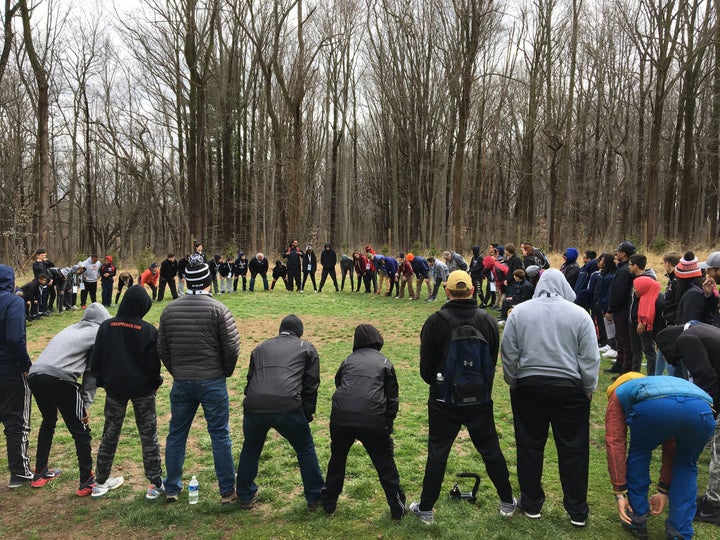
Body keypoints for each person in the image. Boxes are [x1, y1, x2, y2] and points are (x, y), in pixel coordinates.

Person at [410, 270, 515, 525]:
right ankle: (507, 502)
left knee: (437, 454)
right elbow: (491, 362)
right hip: (479, 400)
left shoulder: (436, 321)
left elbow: (426, 369)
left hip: (443, 401)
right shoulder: (488, 320)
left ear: (447, 290)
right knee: (491, 451)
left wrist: (440, 386)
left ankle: (425, 509)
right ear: (471, 291)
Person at [501, 268, 600, 527]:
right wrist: (588, 387)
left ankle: (531, 503)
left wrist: (513, 380)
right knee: (574, 449)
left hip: (529, 386)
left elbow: (508, 350)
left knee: (529, 445)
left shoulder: (520, 312)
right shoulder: (580, 315)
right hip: (569, 388)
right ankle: (577, 510)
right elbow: (589, 357)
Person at [158, 253, 240, 503]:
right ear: (207, 281)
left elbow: (162, 348)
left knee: (176, 434)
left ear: (186, 282)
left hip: (183, 380)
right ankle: (227, 489)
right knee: (219, 434)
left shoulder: (170, 310)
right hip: (212, 379)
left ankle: (172, 486)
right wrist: (224, 371)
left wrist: (177, 371)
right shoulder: (219, 309)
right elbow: (232, 347)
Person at [605, 373, 715, 540]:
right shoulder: (659, 383)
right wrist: (663, 490)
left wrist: (620, 492)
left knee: (639, 454)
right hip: (702, 410)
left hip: (657, 408)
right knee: (687, 464)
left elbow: (615, 443)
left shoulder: (618, 392)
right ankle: (680, 531)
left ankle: (637, 518)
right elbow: (671, 444)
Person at [237, 315, 323, 509]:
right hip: (288, 406)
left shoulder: (260, 347)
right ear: (299, 332)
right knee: (305, 447)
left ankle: (244, 495)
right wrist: (307, 414)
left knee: (251, 447)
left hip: (255, 405)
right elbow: (311, 386)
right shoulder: (307, 348)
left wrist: (249, 402)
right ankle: (315, 496)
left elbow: (250, 379)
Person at [321, 324, 405, 519]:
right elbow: (392, 398)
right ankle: (397, 508)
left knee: (337, 459)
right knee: (385, 463)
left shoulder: (348, 360)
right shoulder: (385, 362)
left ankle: (328, 503)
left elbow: (338, 383)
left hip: (341, 417)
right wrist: (387, 424)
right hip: (372, 419)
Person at [28, 303, 111, 496]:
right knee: (80, 430)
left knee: (48, 421)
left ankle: (39, 472)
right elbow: (91, 373)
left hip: (35, 375)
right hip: (61, 378)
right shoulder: (98, 334)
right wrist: (85, 405)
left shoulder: (71, 328)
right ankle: (87, 481)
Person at [90, 286, 163, 499]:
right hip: (143, 391)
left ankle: (100, 482)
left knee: (109, 435)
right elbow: (153, 364)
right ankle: (156, 484)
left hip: (115, 390)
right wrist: (155, 383)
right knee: (149, 436)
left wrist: (103, 381)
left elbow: (97, 359)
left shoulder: (106, 326)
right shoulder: (148, 330)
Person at [655, 322, 720, 525]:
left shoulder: (686, 340)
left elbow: (706, 379)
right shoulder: (698, 331)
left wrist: (708, 414)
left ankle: (713, 507)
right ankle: (712, 498)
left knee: (719, 451)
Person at [0, 264, 34, 488]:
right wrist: (26, 365)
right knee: (16, 420)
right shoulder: (13, 302)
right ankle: (19, 472)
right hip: (10, 369)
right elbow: (15, 338)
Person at [606, 242, 636, 376]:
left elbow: (619, 293)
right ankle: (619, 363)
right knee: (620, 336)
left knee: (624, 338)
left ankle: (625, 367)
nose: (616, 254)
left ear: (623, 254)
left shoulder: (624, 271)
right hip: (621, 308)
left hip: (622, 309)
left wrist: (611, 309)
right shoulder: (622, 268)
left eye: (618, 251)